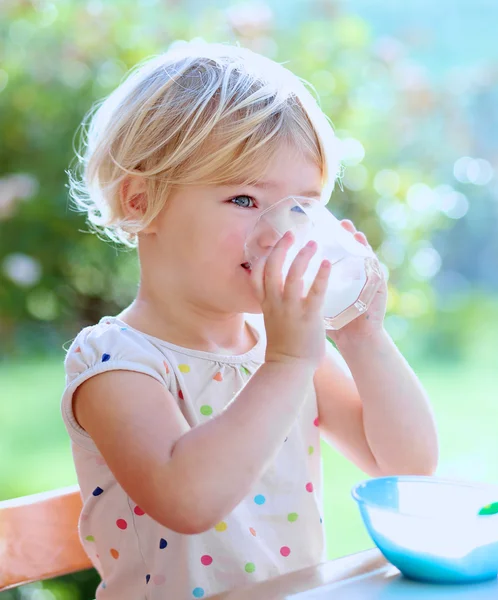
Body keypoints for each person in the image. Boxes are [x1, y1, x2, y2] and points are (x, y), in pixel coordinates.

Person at [61, 40, 438, 599]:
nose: (281, 232)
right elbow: (188, 501)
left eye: (303, 206)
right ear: (140, 202)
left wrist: (364, 338)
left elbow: (405, 466)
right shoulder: (116, 364)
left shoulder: (283, 348)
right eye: (243, 199)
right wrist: (287, 363)